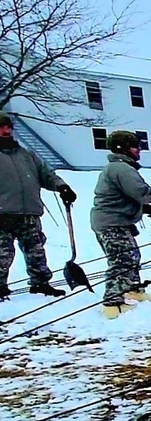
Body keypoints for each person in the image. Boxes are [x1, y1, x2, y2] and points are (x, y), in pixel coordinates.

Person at [91, 131, 151, 319]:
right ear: (124, 148)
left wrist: (144, 209)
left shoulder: (119, 168)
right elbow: (143, 193)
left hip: (116, 221)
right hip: (111, 224)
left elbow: (123, 196)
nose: (139, 150)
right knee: (121, 260)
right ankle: (112, 302)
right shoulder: (121, 169)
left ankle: (132, 289)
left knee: (131, 255)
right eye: (136, 146)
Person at [0, 112, 77, 300]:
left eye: (8, 126)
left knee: (36, 251)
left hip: (29, 212)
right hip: (2, 215)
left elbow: (46, 174)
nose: (6, 130)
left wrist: (62, 186)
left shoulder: (26, 155)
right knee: (2, 255)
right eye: (1, 127)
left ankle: (41, 283)